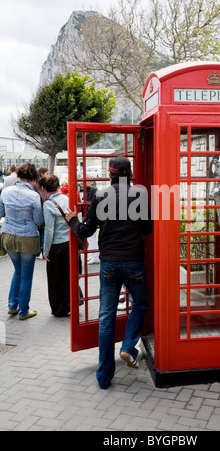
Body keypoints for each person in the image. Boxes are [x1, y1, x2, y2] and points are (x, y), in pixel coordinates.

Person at [65, 156, 152, 389]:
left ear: (111, 174)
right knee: (141, 304)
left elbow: (84, 230)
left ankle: (104, 378)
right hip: (134, 262)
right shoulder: (141, 195)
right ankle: (127, 347)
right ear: (130, 173)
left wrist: (72, 220)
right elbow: (147, 229)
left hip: (109, 265)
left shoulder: (101, 195)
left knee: (106, 318)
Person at [0, 162, 43, 320]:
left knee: (17, 272)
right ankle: (24, 310)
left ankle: (12, 306)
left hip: (8, 236)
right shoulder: (33, 195)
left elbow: (1, 212)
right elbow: (38, 220)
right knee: (26, 276)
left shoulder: (6, 191)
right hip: (27, 237)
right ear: (33, 179)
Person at [38, 174, 70, 317]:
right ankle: (71, 304)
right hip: (69, 243)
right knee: (68, 276)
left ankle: (59, 309)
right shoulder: (66, 198)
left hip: (56, 246)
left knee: (56, 280)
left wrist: (45, 251)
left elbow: (49, 230)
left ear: (44, 188)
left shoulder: (48, 204)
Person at [85, 176, 99, 264]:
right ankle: (95, 255)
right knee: (91, 238)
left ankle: (95, 256)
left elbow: (93, 204)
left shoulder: (92, 190)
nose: (80, 184)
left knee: (91, 237)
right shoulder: (90, 190)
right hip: (90, 216)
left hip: (92, 217)